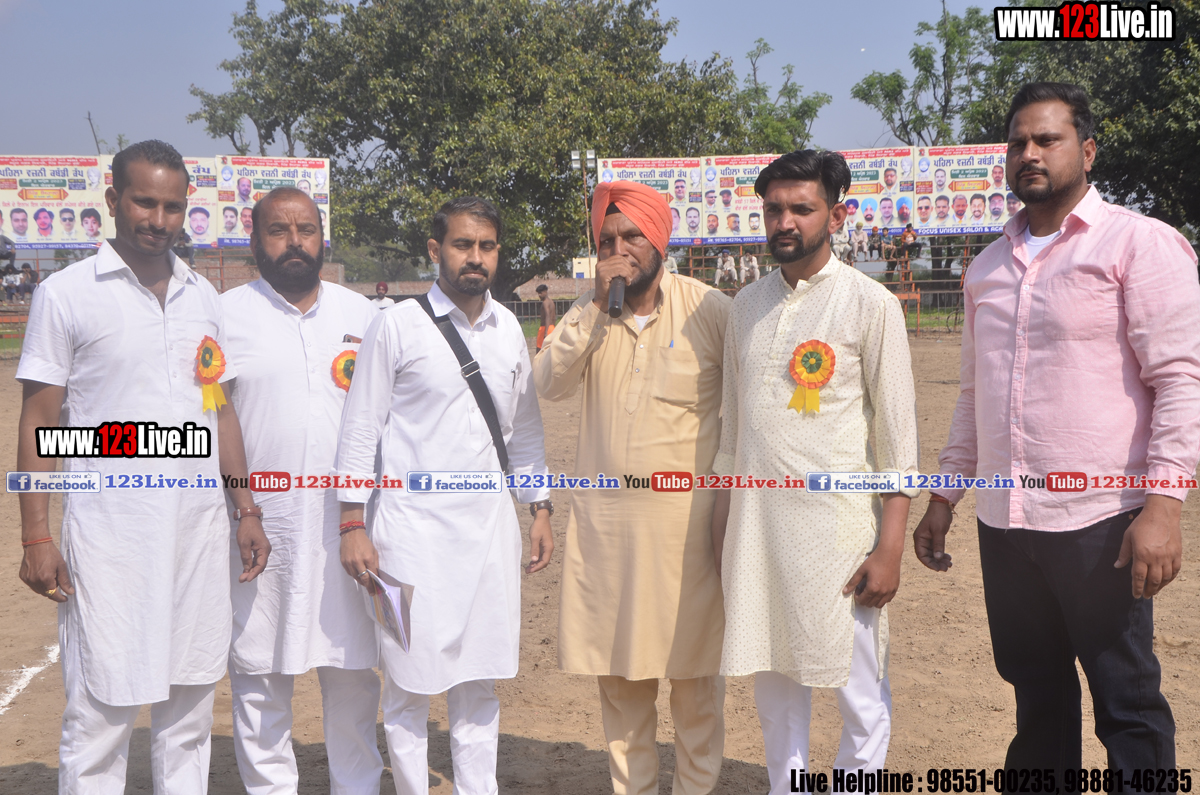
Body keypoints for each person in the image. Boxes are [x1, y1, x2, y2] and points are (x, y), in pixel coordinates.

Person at [913, 81, 1200, 775]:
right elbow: (974, 396)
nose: (1030, 153)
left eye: (1048, 139)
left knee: (1127, 703)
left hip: (1100, 520)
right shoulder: (987, 268)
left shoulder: (1139, 244)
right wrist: (945, 496)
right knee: (1036, 695)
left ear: (1088, 151)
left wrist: (1164, 505)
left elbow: (1180, 380)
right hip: (1005, 523)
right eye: (1018, 142)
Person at [15, 139, 271, 793]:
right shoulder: (66, 294)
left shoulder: (203, 296)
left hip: (197, 534)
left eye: (172, 206)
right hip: (111, 539)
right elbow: (40, 419)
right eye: (144, 202)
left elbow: (220, 410)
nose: (158, 219)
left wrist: (244, 508)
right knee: (101, 715)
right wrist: (36, 535)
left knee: (189, 712)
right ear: (113, 200)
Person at [712, 149, 918, 791]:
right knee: (776, 694)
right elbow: (730, 435)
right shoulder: (745, 306)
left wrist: (889, 548)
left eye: (801, 208)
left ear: (836, 215)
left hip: (841, 539)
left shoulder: (870, 304)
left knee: (860, 695)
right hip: (757, 536)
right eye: (774, 209)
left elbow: (898, 444)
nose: (785, 222)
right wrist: (722, 532)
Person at [335, 196, 554, 795]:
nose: (475, 257)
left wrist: (539, 506)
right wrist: (351, 521)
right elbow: (361, 426)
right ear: (436, 250)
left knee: (479, 679)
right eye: (463, 245)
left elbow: (525, 429)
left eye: (487, 246)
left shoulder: (508, 329)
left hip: (488, 533)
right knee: (408, 683)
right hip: (408, 537)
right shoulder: (397, 325)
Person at [534, 179, 732, 795]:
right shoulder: (590, 312)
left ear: (660, 241)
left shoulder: (709, 309)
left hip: (688, 541)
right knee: (621, 694)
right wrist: (595, 308)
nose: (618, 251)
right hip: (608, 540)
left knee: (696, 690)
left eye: (632, 237)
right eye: (607, 241)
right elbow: (548, 384)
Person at [221, 187, 384, 794]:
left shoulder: (363, 316)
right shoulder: (225, 316)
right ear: (255, 240)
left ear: (323, 238)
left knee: (353, 674)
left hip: (349, 528)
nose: (295, 242)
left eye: (306, 230)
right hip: (261, 528)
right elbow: (213, 418)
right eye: (279, 230)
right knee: (260, 676)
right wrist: (244, 507)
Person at [535, 282, 556, 351]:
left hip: (545, 328)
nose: (539, 295)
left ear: (545, 292)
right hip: (552, 328)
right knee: (550, 350)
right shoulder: (551, 302)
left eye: (540, 293)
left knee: (539, 350)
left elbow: (547, 316)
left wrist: (546, 333)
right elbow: (554, 317)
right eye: (538, 293)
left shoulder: (545, 302)